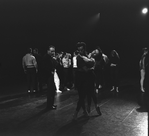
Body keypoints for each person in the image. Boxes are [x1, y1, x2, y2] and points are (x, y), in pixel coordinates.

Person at [73, 42, 101, 120]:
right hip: (81, 79)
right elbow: (85, 69)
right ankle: (77, 112)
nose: (80, 51)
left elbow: (92, 63)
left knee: (90, 94)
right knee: (82, 96)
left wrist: (91, 64)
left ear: (84, 49)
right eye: (79, 50)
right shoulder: (79, 57)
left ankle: (90, 108)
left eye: (82, 49)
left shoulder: (86, 56)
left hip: (88, 78)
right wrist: (91, 67)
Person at [42, 45, 58, 110]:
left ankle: (51, 104)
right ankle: (49, 105)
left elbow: (55, 65)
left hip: (50, 76)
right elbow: (45, 67)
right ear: (48, 51)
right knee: (50, 91)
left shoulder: (51, 58)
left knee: (52, 90)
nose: (53, 52)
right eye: (51, 51)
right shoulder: (46, 57)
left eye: (53, 51)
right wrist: (50, 71)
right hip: (48, 76)